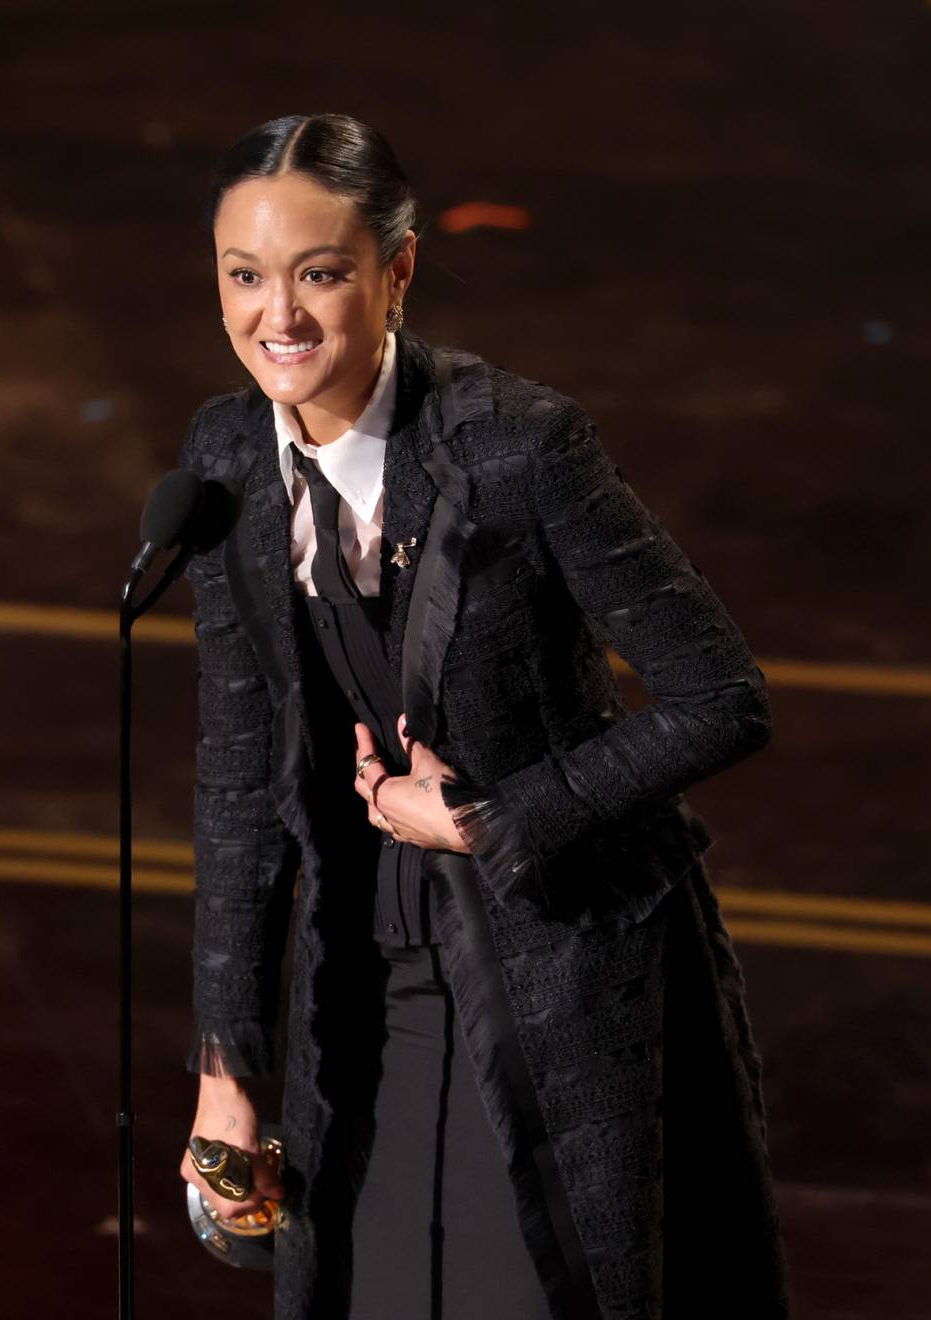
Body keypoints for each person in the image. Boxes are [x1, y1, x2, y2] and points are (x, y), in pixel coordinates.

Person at [175, 112, 790, 1320]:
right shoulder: (226, 465)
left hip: (553, 973)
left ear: (396, 271)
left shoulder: (518, 446)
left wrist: (495, 816)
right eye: (245, 277)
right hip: (365, 990)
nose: (278, 318)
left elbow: (723, 696)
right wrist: (225, 1068)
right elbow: (241, 782)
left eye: (320, 273)